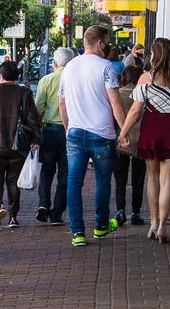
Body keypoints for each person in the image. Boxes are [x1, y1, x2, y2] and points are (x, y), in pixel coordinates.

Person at [118, 38, 170, 244]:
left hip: (152, 128)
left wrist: (123, 133)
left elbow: (136, 110)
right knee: (167, 180)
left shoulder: (146, 79)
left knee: (152, 178)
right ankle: (164, 226)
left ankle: (154, 223)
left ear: (154, 55)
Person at [59, 25, 128, 246]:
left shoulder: (69, 67)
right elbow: (115, 102)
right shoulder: (106, 67)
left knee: (73, 183)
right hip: (102, 133)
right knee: (102, 182)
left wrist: (67, 126)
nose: (107, 47)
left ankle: (77, 232)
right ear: (99, 43)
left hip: (76, 133)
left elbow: (62, 102)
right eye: (106, 43)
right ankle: (100, 226)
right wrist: (124, 131)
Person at [0, 60, 41, 229]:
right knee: (13, 181)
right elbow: (33, 119)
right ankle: (13, 217)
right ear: (17, 76)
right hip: (17, 145)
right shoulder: (24, 92)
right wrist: (35, 140)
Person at [34, 47, 74, 226]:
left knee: (47, 170)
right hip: (70, 131)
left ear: (55, 63)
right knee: (65, 174)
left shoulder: (46, 80)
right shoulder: (75, 80)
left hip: (49, 130)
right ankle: (57, 213)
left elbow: (38, 108)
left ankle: (43, 204)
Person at [114, 65, 147, 227]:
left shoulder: (118, 95)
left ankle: (120, 210)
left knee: (120, 179)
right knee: (138, 180)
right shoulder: (144, 94)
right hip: (140, 143)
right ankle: (136, 212)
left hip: (121, 143)